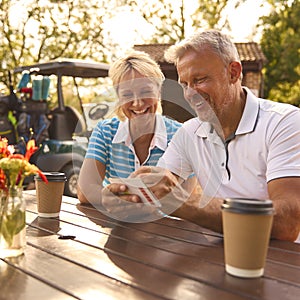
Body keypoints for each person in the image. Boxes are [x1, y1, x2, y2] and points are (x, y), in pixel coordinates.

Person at [104, 30, 300, 241]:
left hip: (278, 264)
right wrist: (123, 196)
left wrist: (185, 203)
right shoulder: (189, 133)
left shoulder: (284, 122)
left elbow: (287, 224)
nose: (190, 94)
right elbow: (156, 188)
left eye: (199, 80)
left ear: (233, 73)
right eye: (185, 84)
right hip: (215, 257)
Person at [77, 50, 194, 214]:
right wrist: (110, 198)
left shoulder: (180, 135)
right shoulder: (105, 131)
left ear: (159, 92)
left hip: (167, 231)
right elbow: (85, 190)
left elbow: (190, 196)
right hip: (118, 227)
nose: (138, 103)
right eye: (127, 94)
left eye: (145, 91)